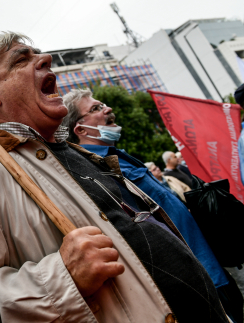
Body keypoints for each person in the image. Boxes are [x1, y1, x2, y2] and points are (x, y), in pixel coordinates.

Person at [0, 32, 229, 323]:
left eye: (38, 53)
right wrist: (61, 277)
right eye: (21, 59)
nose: (46, 58)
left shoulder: (74, 153)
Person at [61, 89, 243, 321]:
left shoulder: (118, 156)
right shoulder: (99, 171)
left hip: (208, 262)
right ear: (81, 129)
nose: (108, 109)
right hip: (194, 276)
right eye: (96, 108)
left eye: (103, 103)